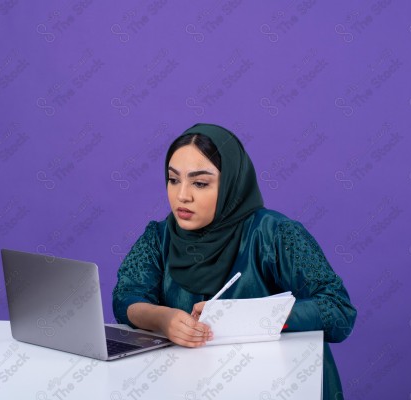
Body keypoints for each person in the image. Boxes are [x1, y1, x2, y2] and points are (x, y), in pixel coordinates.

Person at [112, 123, 356, 399]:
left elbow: (338, 312)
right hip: (191, 386)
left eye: (200, 183)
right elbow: (126, 298)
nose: (182, 195)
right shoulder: (158, 237)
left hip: (278, 385)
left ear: (232, 183)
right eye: (173, 179)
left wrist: (246, 317)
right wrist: (162, 319)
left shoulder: (275, 234)